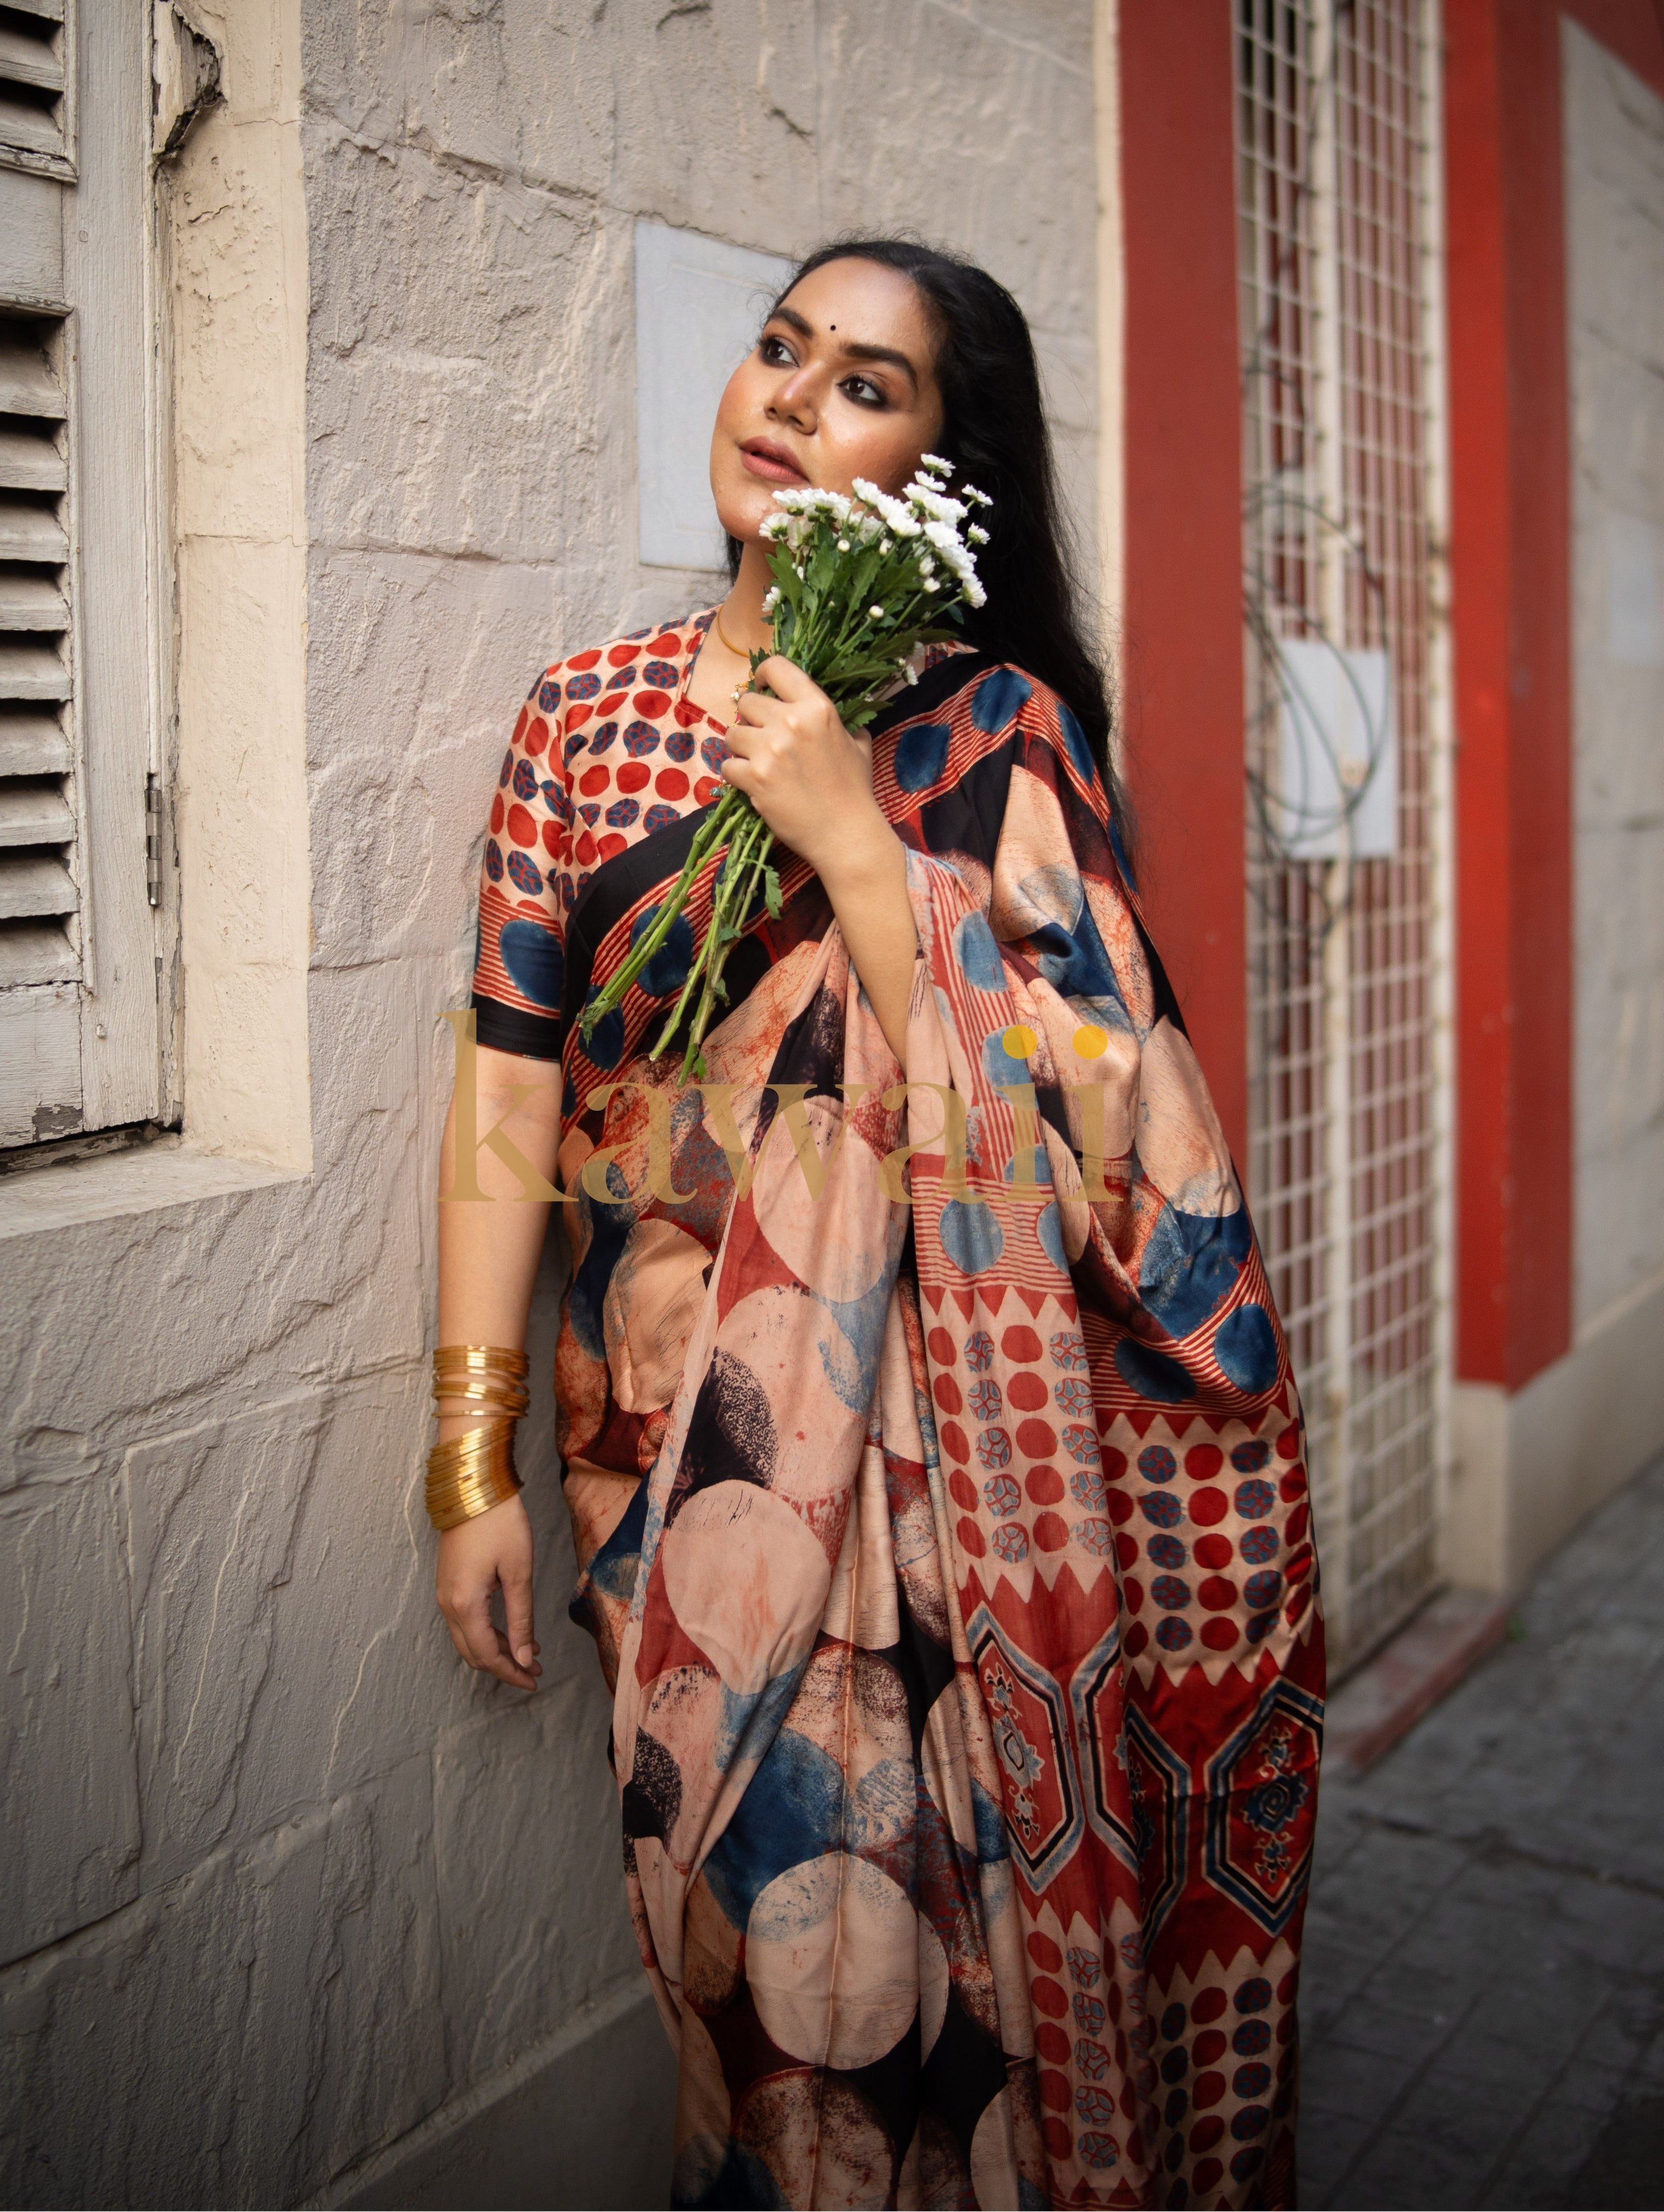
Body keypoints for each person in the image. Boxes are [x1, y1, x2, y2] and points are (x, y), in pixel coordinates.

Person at [431, 239, 1324, 2212]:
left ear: (944, 464)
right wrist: (464, 1443)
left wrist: (853, 838)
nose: (787, 396)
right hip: (661, 1466)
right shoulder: (583, 718)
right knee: (745, 2005)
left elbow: (1105, 1147)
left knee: (940, 2015)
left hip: (953, 1490)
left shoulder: (993, 734)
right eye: (778, 351)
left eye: (864, 382)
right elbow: (510, 1095)